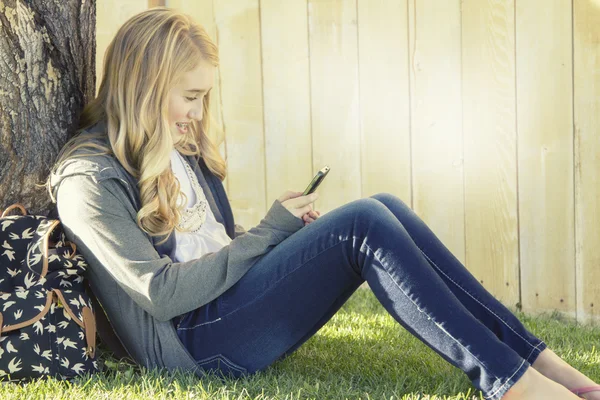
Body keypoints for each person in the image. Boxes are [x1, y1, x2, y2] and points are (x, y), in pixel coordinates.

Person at [46, 7, 599, 400]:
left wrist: (276, 234)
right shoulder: (88, 178)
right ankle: (513, 383)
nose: (195, 112)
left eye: (202, 97)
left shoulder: (176, 144)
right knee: (360, 224)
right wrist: (268, 234)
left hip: (229, 308)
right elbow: (162, 296)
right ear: (144, 86)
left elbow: (215, 249)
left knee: (382, 206)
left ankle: (536, 360)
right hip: (194, 346)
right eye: (189, 97)